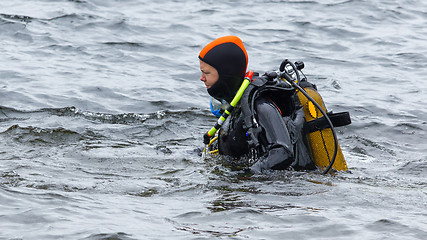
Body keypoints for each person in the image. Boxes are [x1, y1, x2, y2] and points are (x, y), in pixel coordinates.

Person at [199, 36, 316, 173]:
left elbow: (283, 152)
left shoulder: (262, 107)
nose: (202, 78)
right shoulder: (236, 105)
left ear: (226, 74)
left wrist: (247, 175)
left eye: (206, 73)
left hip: (287, 186)